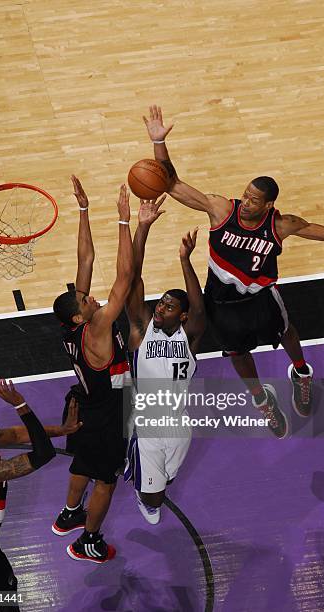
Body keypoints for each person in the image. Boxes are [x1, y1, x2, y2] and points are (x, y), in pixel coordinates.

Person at [143, 105, 324, 439]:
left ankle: (300, 372)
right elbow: (174, 184)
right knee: (237, 354)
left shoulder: (281, 225)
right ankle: (261, 399)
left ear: (268, 205)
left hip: (261, 297)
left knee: (287, 332)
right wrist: (158, 143)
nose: (247, 201)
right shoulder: (221, 209)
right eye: (247, 195)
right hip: (221, 303)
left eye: (254, 200)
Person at [52, 176, 133, 563]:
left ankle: (69, 513)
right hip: (106, 415)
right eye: (87, 299)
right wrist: (124, 222)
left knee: (82, 463)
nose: (92, 296)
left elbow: (85, 260)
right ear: (81, 313)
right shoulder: (97, 327)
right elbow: (123, 281)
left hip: (85, 405)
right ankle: (88, 540)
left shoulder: (72, 323)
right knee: (105, 480)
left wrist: (83, 210)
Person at [0, 379, 81, 612]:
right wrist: (21, 405)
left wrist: (64, 430)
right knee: (6, 592)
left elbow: (18, 435)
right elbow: (43, 453)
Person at [124, 196, 205, 524]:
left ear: (182, 316)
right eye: (160, 303)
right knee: (153, 499)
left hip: (179, 424)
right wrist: (142, 227)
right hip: (145, 425)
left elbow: (200, 309)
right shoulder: (142, 330)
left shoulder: (191, 335)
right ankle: (144, 487)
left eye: (169, 306)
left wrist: (186, 260)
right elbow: (132, 278)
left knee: (168, 479)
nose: (160, 307)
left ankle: (153, 479)